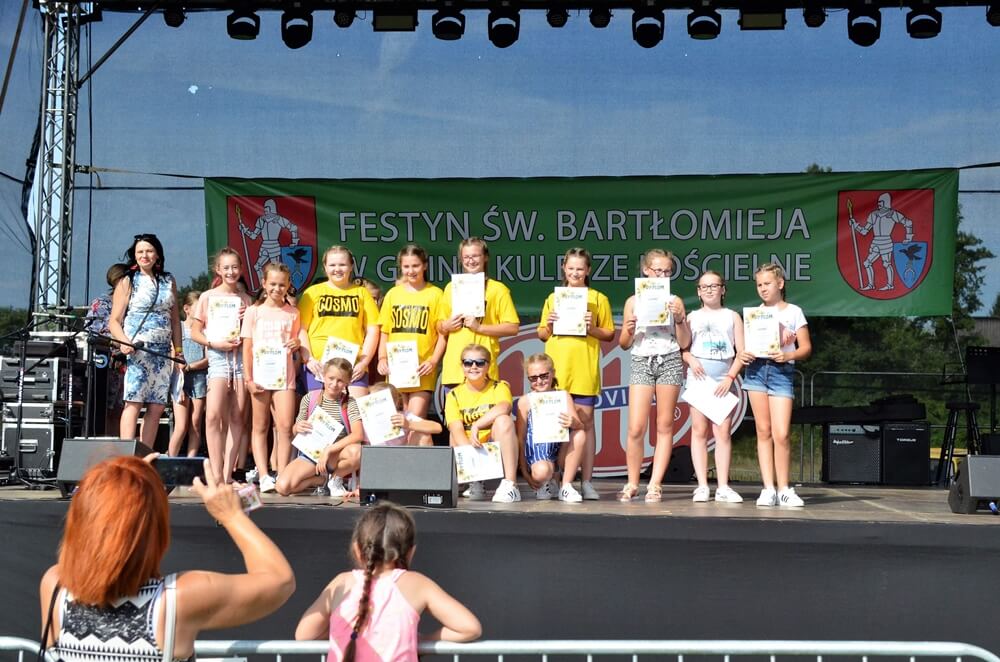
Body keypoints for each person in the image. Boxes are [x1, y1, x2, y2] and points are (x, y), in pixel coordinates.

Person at [39, 455, 295, 662]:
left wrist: (128, 482)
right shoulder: (177, 599)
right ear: (154, 529)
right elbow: (280, 581)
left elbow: (99, 538)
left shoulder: (55, 587)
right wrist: (231, 516)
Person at [295, 502, 481, 661]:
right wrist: (422, 641)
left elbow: (304, 635)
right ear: (410, 552)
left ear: (357, 550)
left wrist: (345, 634)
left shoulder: (341, 583)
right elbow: (469, 627)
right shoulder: (417, 584)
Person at [537, 247, 615, 500]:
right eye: (570, 268)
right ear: (564, 268)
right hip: (557, 370)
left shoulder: (598, 298)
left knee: (585, 425)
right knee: (553, 426)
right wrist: (549, 324)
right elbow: (542, 334)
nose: (575, 273)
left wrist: (591, 328)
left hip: (583, 369)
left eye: (580, 268)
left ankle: (587, 481)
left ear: (588, 270)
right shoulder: (553, 298)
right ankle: (552, 481)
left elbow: (609, 334)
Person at [617, 249, 690, 503]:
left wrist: (679, 319)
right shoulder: (633, 301)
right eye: (658, 270)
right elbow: (623, 344)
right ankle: (632, 482)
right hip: (641, 359)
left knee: (665, 424)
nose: (662, 275)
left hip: (669, 358)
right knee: (636, 426)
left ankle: (655, 484)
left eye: (667, 271)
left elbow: (684, 342)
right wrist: (628, 330)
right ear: (646, 270)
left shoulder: (675, 300)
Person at [737, 262, 812, 507]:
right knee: (763, 430)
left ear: (780, 283)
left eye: (767, 283)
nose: (763, 288)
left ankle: (784, 488)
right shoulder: (754, 314)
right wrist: (744, 353)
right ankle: (768, 488)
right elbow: (746, 346)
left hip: (781, 372)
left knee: (781, 433)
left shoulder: (793, 312)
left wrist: (788, 354)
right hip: (757, 370)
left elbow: (806, 348)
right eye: (759, 284)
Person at [108, 234, 183, 447]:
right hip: (137, 349)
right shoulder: (128, 281)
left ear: (157, 254)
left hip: (162, 351)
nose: (145, 255)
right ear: (134, 255)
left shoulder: (168, 280)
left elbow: (175, 320)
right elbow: (114, 321)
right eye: (140, 252)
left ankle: (145, 454)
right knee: (134, 401)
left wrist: (178, 350)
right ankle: (126, 454)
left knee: (157, 406)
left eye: (149, 251)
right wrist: (124, 342)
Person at [242, 261, 311, 493]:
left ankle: (282, 473)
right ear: (263, 283)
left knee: (285, 426)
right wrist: (249, 379)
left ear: (288, 285)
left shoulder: (293, 313)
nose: (277, 289)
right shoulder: (254, 312)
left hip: (284, 378)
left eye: (282, 285)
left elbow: (297, 341)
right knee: (260, 425)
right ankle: (263, 475)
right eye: (272, 284)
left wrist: (297, 343)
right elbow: (247, 349)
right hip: (259, 377)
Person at [190, 248, 254, 483]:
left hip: (239, 360)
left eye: (235, 267)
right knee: (213, 416)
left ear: (241, 269)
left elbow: (250, 335)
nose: (231, 272)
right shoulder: (207, 297)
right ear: (218, 269)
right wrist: (213, 343)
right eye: (226, 267)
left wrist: (246, 318)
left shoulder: (246, 299)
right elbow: (195, 331)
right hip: (217, 358)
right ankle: (216, 473)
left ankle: (227, 475)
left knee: (237, 417)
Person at [683, 271, 745, 503]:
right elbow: (683, 348)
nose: (709, 290)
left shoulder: (732, 316)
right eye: (704, 286)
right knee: (699, 431)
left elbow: (741, 352)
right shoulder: (691, 317)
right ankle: (701, 486)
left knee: (722, 433)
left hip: (722, 379)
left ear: (723, 289)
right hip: (699, 379)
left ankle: (723, 487)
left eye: (714, 285)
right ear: (698, 292)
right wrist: (690, 359)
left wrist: (730, 377)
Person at [377, 244, 446, 446]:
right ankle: (398, 462)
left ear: (424, 265)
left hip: (422, 368)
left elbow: (443, 333)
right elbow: (385, 331)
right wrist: (382, 358)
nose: (411, 271)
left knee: (414, 420)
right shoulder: (393, 294)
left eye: (415, 266)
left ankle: (414, 463)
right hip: (396, 368)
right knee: (397, 422)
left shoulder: (436, 294)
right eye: (406, 266)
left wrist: (434, 361)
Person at [437, 237, 519, 389]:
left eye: (475, 256)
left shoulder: (498, 289)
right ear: (461, 259)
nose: (471, 261)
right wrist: (446, 325)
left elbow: (513, 327)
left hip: (483, 369)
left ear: (485, 257)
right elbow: (440, 326)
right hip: (455, 369)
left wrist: (480, 328)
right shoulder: (450, 288)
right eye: (466, 257)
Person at [276, 358, 366, 497]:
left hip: (335, 455)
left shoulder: (350, 402)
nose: (334, 384)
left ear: (347, 383)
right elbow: (295, 430)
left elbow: (358, 435)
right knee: (282, 487)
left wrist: (329, 450)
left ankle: (336, 478)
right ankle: (321, 480)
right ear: (323, 376)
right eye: (331, 378)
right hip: (312, 454)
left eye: (340, 381)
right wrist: (297, 427)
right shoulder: (309, 398)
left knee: (358, 452)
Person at [299, 246, 381, 398]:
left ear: (351, 266)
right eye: (332, 265)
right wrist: (308, 358)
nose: (337, 269)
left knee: (355, 410)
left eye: (342, 264)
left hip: (353, 366)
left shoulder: (362, 293)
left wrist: (363, 363)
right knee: (321, 411)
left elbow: (373, 330)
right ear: (325, 267)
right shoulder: (312, 292)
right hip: (318, 365)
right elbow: (301, 328)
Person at [445, 344, 522, 503]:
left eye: (480, 363)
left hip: (494, 449)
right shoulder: (453, 395)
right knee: (454, 434)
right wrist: (473, 460)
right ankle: (475, 480)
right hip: (469, 450)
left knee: (504, 420)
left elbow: (505, 407)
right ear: (462, 366)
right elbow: (456, 428)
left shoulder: (499, 387)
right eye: (468, 363)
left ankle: (511, 484)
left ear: (488, 365)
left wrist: (477, 425)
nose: (473, 367)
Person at [515, 353, 586, 503]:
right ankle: (545, 482)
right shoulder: (525, 401)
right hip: (538, 454)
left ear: (552, 373)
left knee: (580, 434)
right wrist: (524, 472)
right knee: (542, 471)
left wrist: (573, 422)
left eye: (544, 376)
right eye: (533, 378)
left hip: (560, 451)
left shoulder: (563, 396)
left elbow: (580, 426)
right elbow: (520, 438)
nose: (539, 381)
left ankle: (565, 485)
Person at [85, 262, 129, 435]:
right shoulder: (101, 303)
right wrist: (117, 342)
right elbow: (93, 334)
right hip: (105, 364)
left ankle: (120, 445)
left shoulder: (135, 305)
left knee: (122, 411)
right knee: (104, 410)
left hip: (127, 365)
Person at [168, 291, 209, 457]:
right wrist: (178, 377)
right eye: (199, 308)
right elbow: (173, 355)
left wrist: (191, 366)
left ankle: (191, 461)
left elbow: (208, 359)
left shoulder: (204, 331)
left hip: (199, 378)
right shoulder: (179, 328)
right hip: (180, 379)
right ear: (187, 309)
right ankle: (171, 459)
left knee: (195, 423)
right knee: (181, 425)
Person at [366, 382, 443, 447]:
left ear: (395, 402)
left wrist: (408, 424)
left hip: (400, 455)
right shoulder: (365, 417)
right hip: (373, 454)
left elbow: (438, 428)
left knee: (423, 435)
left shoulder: (402, 416)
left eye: (382, 401)